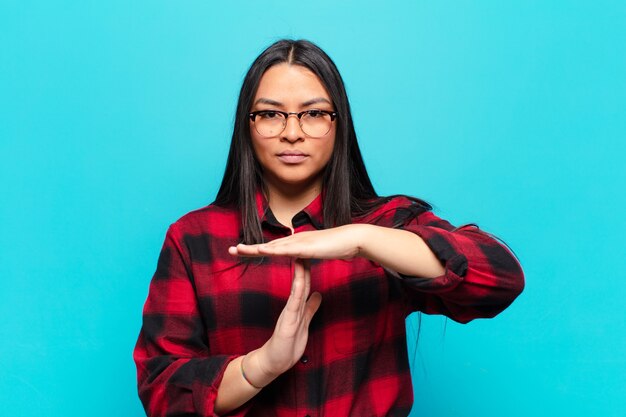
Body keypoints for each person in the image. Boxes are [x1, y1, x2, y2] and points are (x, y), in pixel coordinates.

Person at [133, 39, 525, 417]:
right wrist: (262, 366)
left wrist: (362, 239)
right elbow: (162, 388)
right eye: (270, 114)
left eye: (314, 113)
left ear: (340, 124)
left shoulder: (387, 225)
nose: (292, 132)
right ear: (246, 126)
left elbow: (500, 279)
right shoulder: (193, 238)